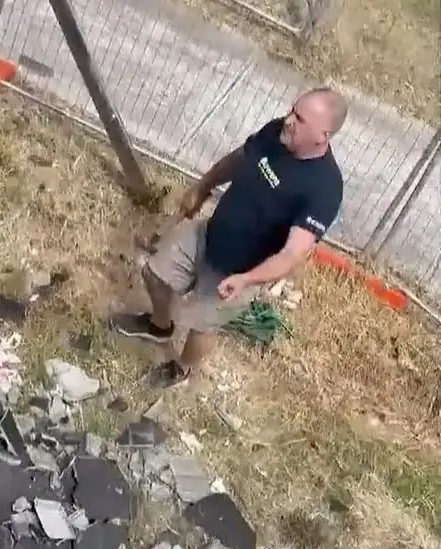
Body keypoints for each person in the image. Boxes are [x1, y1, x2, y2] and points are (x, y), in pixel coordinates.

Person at [112, 87, 348, 390]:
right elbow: (238, 159)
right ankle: (159, 327)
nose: (288, 119)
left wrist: (247, 280)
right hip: (210, 234)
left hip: (242, 268)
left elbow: (292, 254)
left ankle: (182, 368)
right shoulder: (277, 132)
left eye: (299, 119)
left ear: (323, 135)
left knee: (201, 325)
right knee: (154, 274)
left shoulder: (325, 188)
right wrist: (202, 186)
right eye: (292, 110)